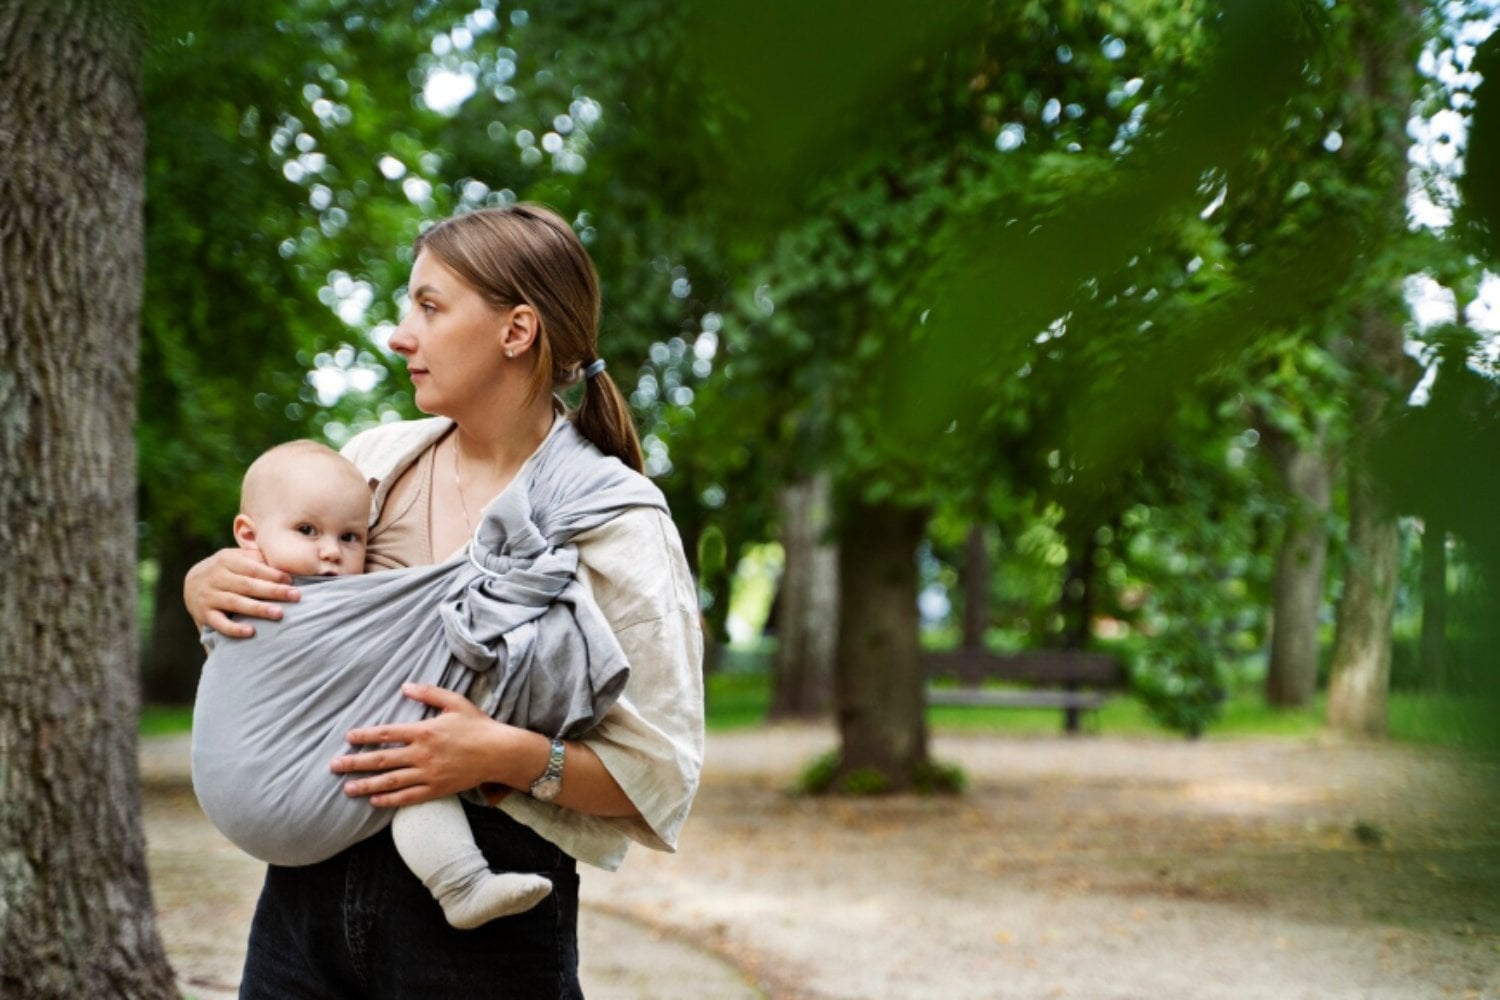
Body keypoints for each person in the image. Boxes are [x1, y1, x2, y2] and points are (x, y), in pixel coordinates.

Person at [184, 203, 705, 999]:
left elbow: (660, 774)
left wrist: (505, 757)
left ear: (516, 330)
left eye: (428, 307)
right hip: (304, 905)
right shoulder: (372, 467)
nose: (400, 335)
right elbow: (293, 634)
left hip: (482, 914)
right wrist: (210, 585)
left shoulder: (615, 522)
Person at [199, 438, 565, 929]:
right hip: (256, 796)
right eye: (307, 531)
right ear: (248, 533)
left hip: (320, 796)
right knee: (405, 756)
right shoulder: (246, 595)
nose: (330, 552)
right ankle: (462, 884)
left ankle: (462, 885)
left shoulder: (360, 597)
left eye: (351, 538)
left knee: (409, 763)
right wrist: (198, 581)